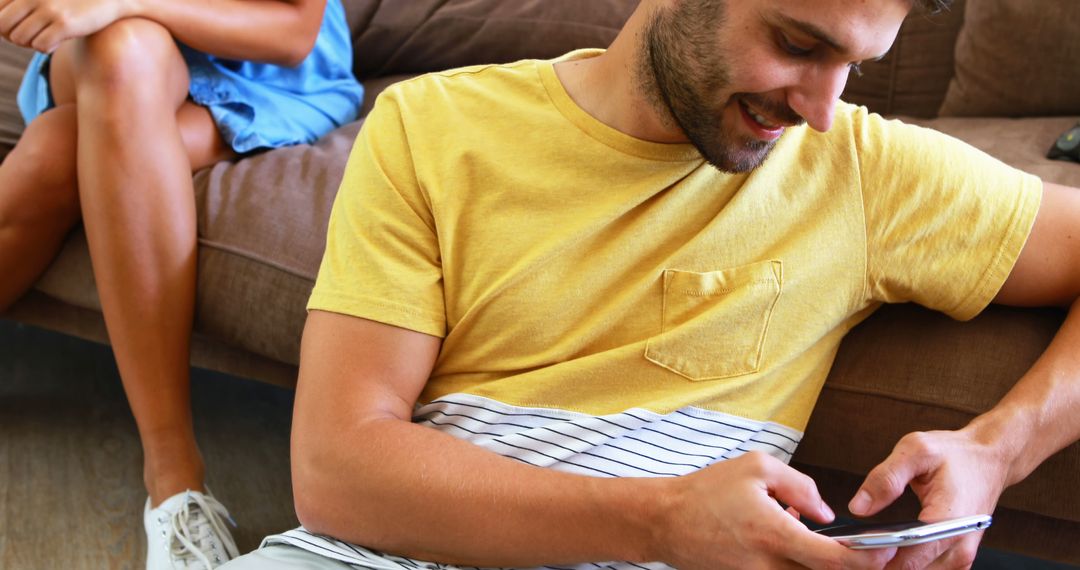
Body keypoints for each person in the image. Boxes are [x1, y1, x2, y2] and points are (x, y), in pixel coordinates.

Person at [225, 0, 1080, 568]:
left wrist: (997, 450)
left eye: (853, 64)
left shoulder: (863, 169)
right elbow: (337, 469)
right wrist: (661, 517)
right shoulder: (433, 126)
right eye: (796, 44)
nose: (820, 106)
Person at [0, 0, 363, 567]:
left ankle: (173, 485)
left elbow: (294, 32)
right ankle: (175, 477)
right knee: (121, 45)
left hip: (274, 78)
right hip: (104, 54)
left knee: (56, 151)